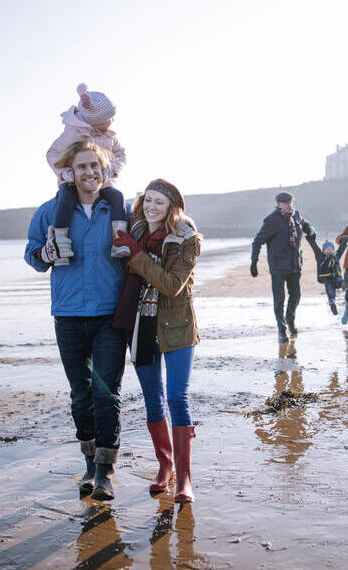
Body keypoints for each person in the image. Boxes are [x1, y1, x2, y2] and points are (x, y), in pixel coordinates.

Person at [25, 139, 128, 501]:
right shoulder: (49, 212)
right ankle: (89, 464)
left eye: (94, 166)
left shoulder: (119, 210)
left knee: (106, 394)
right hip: (68, 316)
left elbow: (150, 233)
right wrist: (46, 252)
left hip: (109, 316)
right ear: (70, 172)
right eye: (82, 166)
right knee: (81, 396)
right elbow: (32, 255)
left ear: (104, 170)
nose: (89, 172)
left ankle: (105, 473)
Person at [111, 179, 200, 503]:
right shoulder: (133, 231)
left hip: (177, 325)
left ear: (171, 208)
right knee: (152, 399)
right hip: (141, 324)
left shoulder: (186, 239)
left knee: (177, 398)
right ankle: (165, 466)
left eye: (158, 202)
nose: (151, 207)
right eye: (147, 200)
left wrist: (135, 255)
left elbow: (171, 285)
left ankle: (184, 478)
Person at [45, 83, 129, 265]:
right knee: (66, 199)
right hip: (72, 182)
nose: (112, 121)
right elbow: (52, 154)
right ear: (95, 122)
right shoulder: (72, 134)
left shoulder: (110, 136)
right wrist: (64, 173)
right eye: (109, 118)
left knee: (117, 197)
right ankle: (60, 242)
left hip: (103, 182)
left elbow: (121, 154)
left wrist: (112, 169)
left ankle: (119, 240)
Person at [250, 192, 314, 343]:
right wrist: (254, 261)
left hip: (295, 264)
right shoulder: (272, 220)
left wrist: (311, 229)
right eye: (285, 203)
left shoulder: (296, 215)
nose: (288, 205)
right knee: (279, 299)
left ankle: (290, 319)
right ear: (278, 204)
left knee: (296, 295)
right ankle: (281, 329)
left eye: (290, 202)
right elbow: (257, 241)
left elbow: (305, 224)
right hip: (278, 265)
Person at [305, 232, 348, 315]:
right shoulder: (320, 256)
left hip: (336, 278)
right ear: (323, 250)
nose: (329, 251)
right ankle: (332, 303)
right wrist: (311, 240)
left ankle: (345, 285)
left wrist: (344, 242)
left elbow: (341, 250)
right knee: (330, 292)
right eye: (327, 249)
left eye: (331, 249)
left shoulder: (335, 256)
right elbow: (315, 248)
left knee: (341, 282)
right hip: (327, 279)